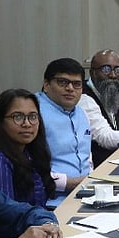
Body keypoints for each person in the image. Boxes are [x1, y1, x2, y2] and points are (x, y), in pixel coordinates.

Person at [0, 89, 55, 207]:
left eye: (33, 116)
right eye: (18, 117)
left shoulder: (28, 153)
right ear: (0, 121)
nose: (27, 124)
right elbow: (5, 214)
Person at [36, 58, 93, 193]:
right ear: (46, 85)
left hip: (86, 191)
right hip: (51, 197)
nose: (70, 88)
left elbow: (87, 156)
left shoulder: (81, 113)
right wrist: (69, 183)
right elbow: (29, 167)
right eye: (62, 82)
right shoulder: (34, 113)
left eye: (76, 84)